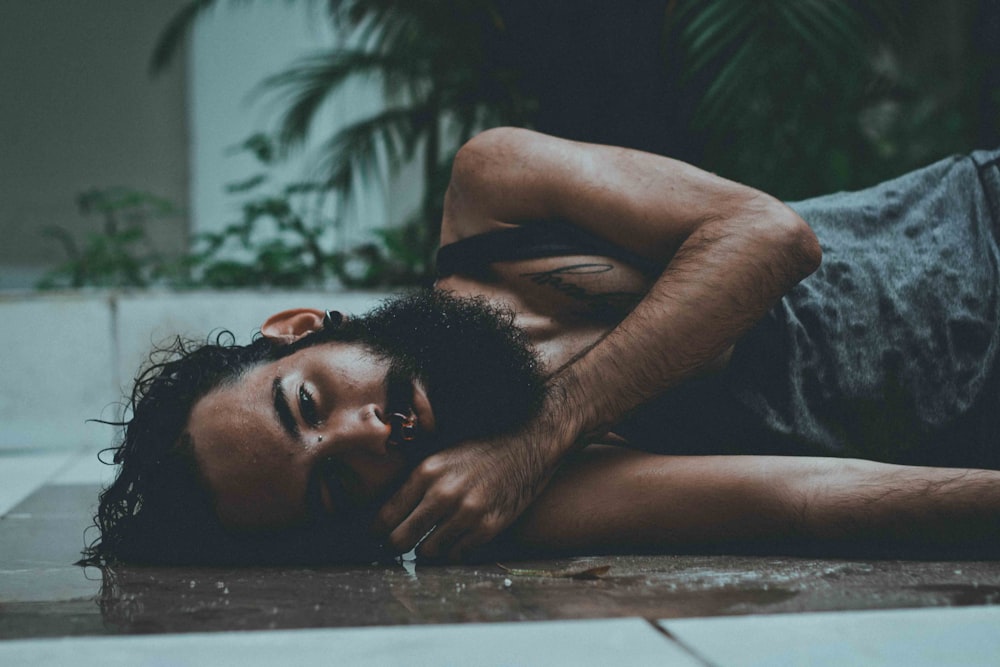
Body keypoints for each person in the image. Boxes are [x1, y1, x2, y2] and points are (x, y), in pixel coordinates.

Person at [85, 127, 1000, 566]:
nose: (366, 437)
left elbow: (770, 238)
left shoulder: (495, 194)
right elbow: (807, 502)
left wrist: (543, 430)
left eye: (309, 404)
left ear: (297, 331)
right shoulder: (529, 503)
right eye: (334, 480)